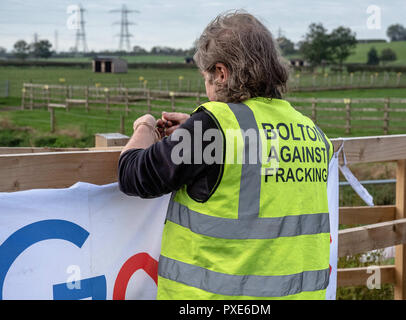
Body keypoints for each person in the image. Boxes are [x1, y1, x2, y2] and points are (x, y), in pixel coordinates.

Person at [118, 10, 333, 300]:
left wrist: (145, 127)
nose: (206, 89)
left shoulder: (214, 128)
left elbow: (134, 175)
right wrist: (192, 136)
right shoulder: (313, 133)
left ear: (221, 73)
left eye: (206, 77)